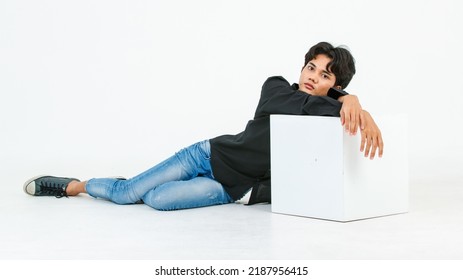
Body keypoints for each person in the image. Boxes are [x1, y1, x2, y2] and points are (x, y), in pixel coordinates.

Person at [23, 42, 383, 210]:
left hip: (229, 186)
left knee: (157, 200)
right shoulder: (276, 88)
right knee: (126, 195)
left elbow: (301, 175)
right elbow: (300, 105)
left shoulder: (325, 121)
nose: (312, 77)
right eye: (311, 67)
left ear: (333, 85)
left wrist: (348, 101)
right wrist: (348, 101)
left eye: (325, 75)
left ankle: (138, 182)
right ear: (302, 67)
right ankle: (76, 186)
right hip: (206, 157)